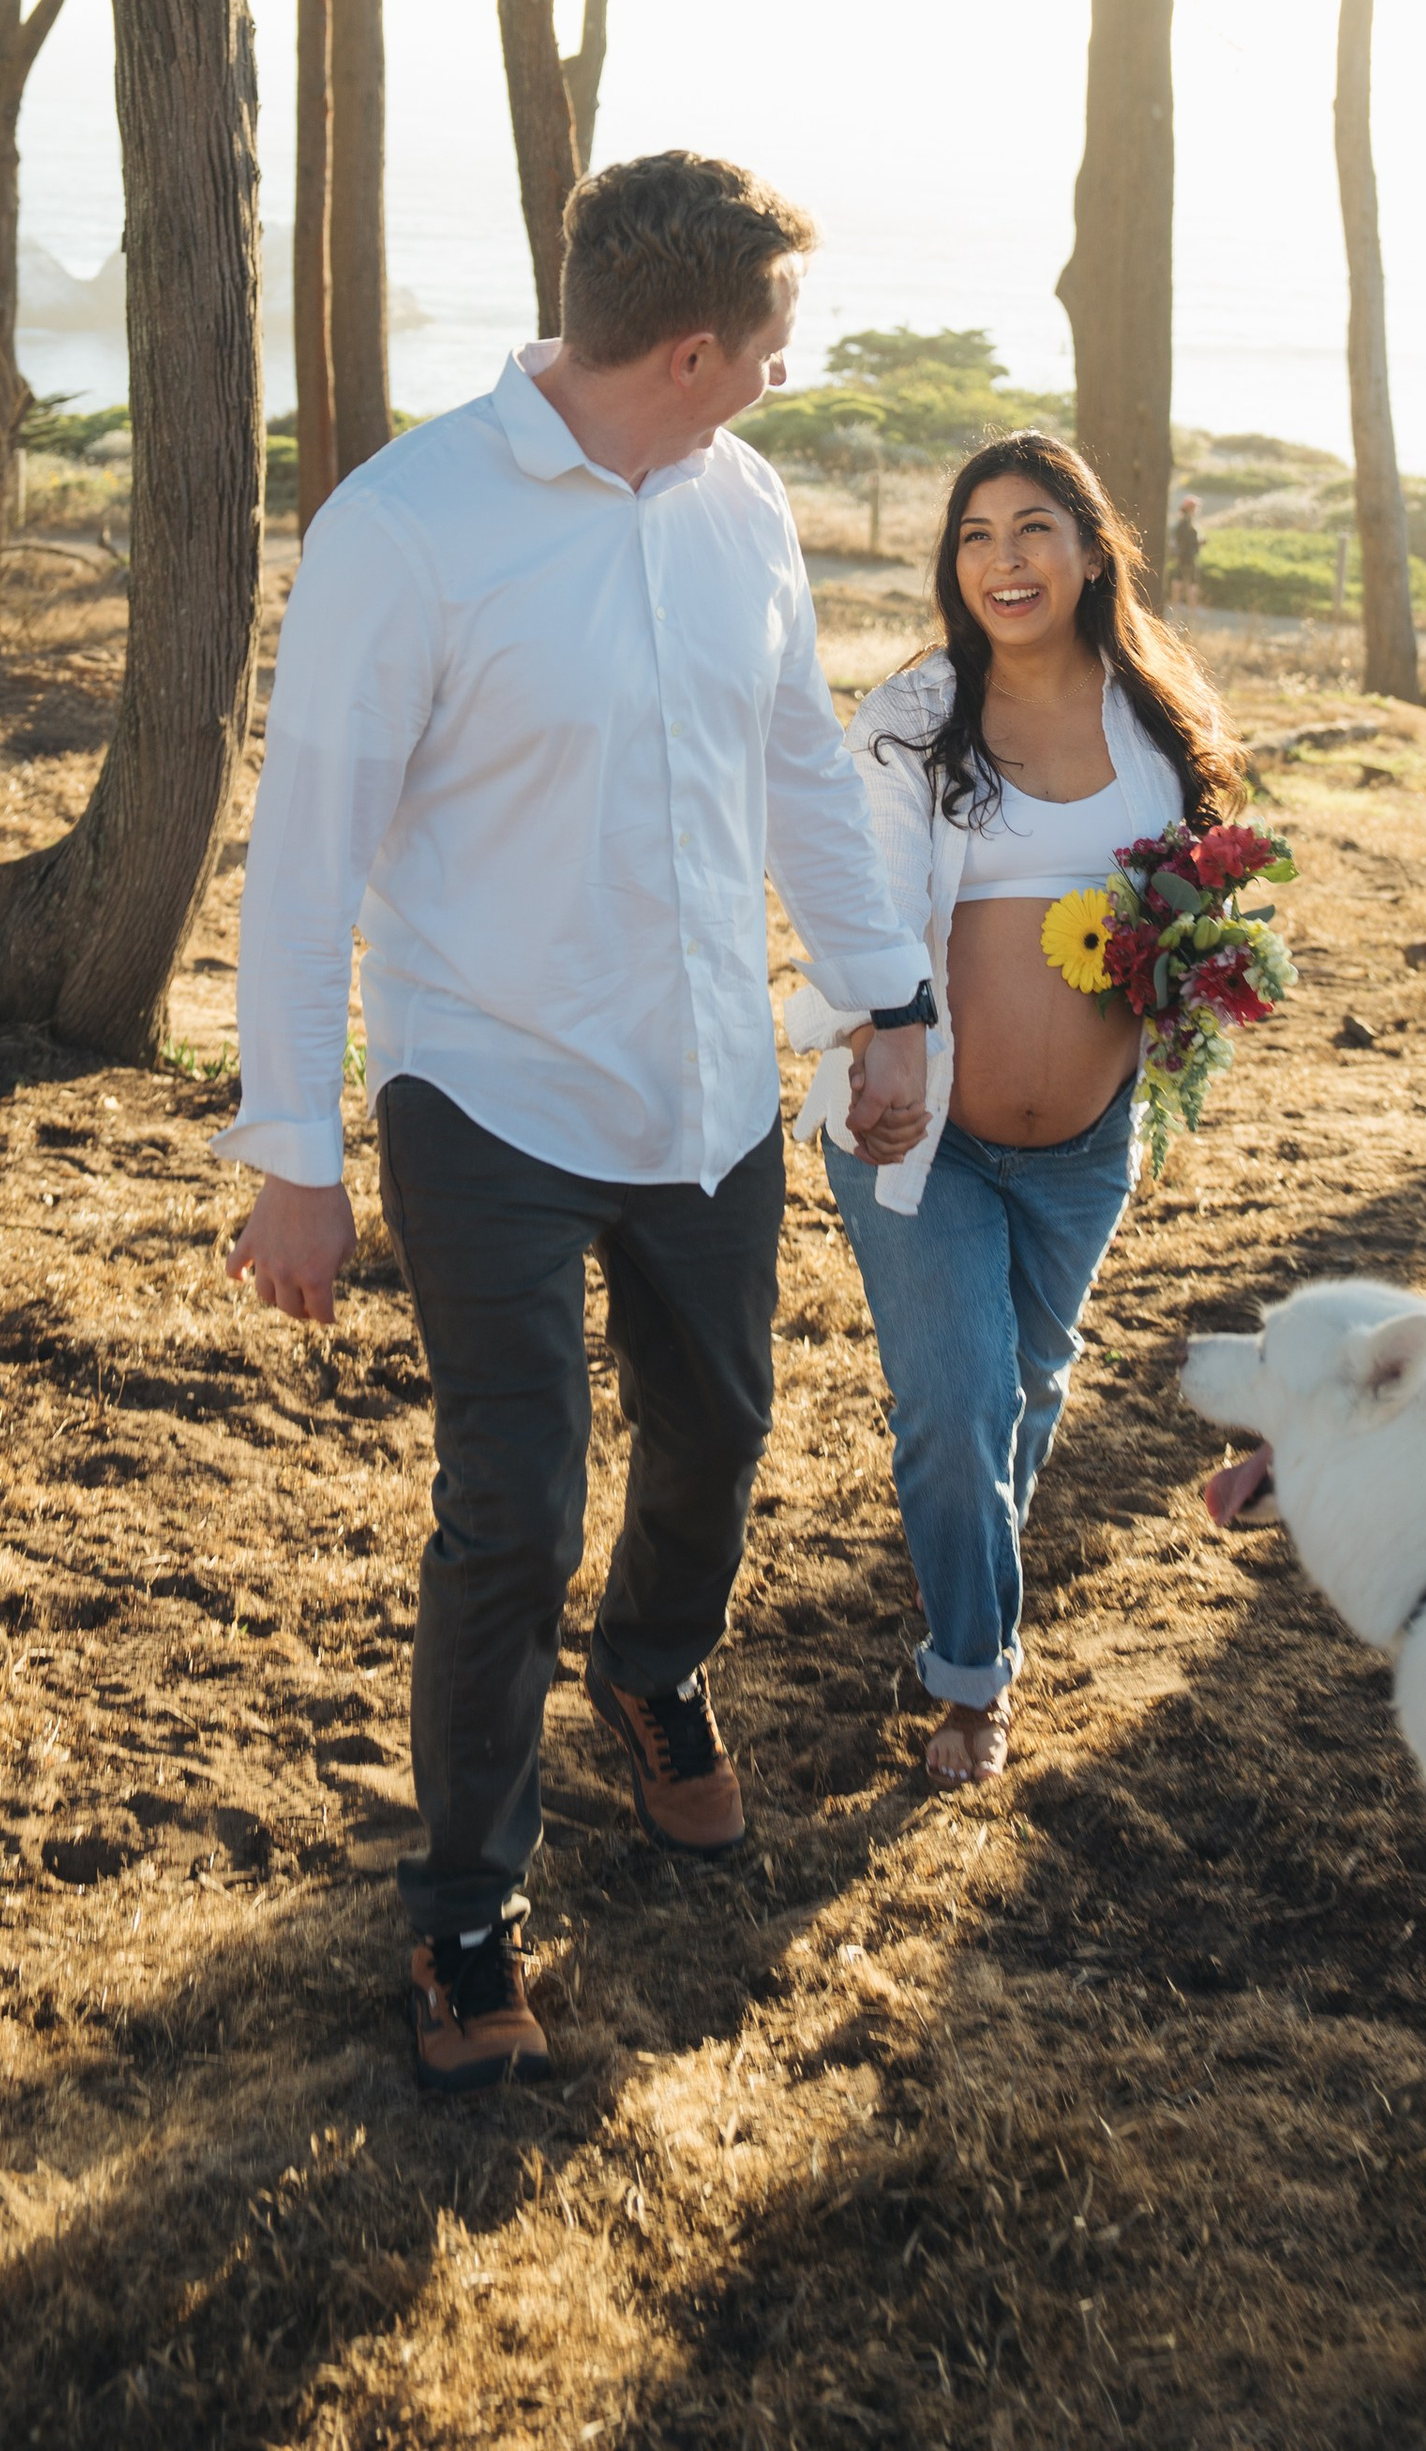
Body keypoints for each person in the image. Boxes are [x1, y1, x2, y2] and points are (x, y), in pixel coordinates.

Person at [215, 152, 933, 2093]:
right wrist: (294, 1149)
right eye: (773, 345)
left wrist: (890, 998)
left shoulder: (743, 505)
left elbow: (795, 762)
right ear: (693, 347)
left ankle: (650, 1671)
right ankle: (462, 1913)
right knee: (509, 1503)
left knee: (718, 1435)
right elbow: (309, 851)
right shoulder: (410, 530)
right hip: (487, 1091)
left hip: (700, 1088)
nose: (785, 376)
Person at [789, 434, 1246, 1784]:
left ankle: (959, 1601)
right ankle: (974, 1683)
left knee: (1028, 1390)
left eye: (1034, 528)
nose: (1004, 560)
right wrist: (889, 1036)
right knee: (959, 1402)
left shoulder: (1154, 716)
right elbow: (861, 902)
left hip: (1084, 1153)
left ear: (1093, 550)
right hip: (918, 1143)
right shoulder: (915, 718)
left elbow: (1196, 890)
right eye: (976, 536)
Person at [1169, 493, 1203, 603]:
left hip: (1182, 554)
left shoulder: (1182, 521)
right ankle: (1190, 608)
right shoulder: (1187, 523)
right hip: (1188, 555)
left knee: (1178, 578)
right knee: (1191, 581)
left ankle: (1177, 606)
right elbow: (1187, 540)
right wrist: (1197, 543)